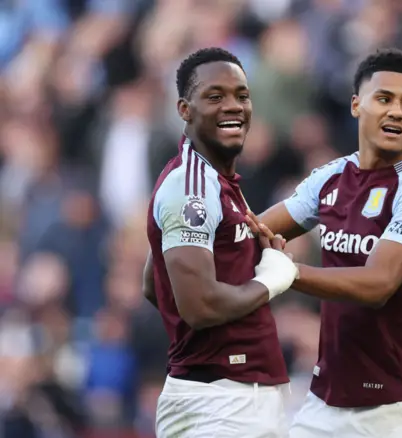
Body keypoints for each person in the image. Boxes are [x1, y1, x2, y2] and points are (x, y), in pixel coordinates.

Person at [251, 48, 402, 438]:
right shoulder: (331, 177)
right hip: (327, 397)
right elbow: (255, 232)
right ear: (355, 105)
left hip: (396, 406)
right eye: (384, 99)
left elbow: (378, 285)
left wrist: (290, 273)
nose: (397, 111)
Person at [143, 47, 299, 438]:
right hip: (220, 401)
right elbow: (198, 305)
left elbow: (154, 283)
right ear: (184, 109)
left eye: (241, 96)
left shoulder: (217, 181)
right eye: (215, 97)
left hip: (236, 395)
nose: (234, 106)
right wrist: (271, 280)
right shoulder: (191, 186)